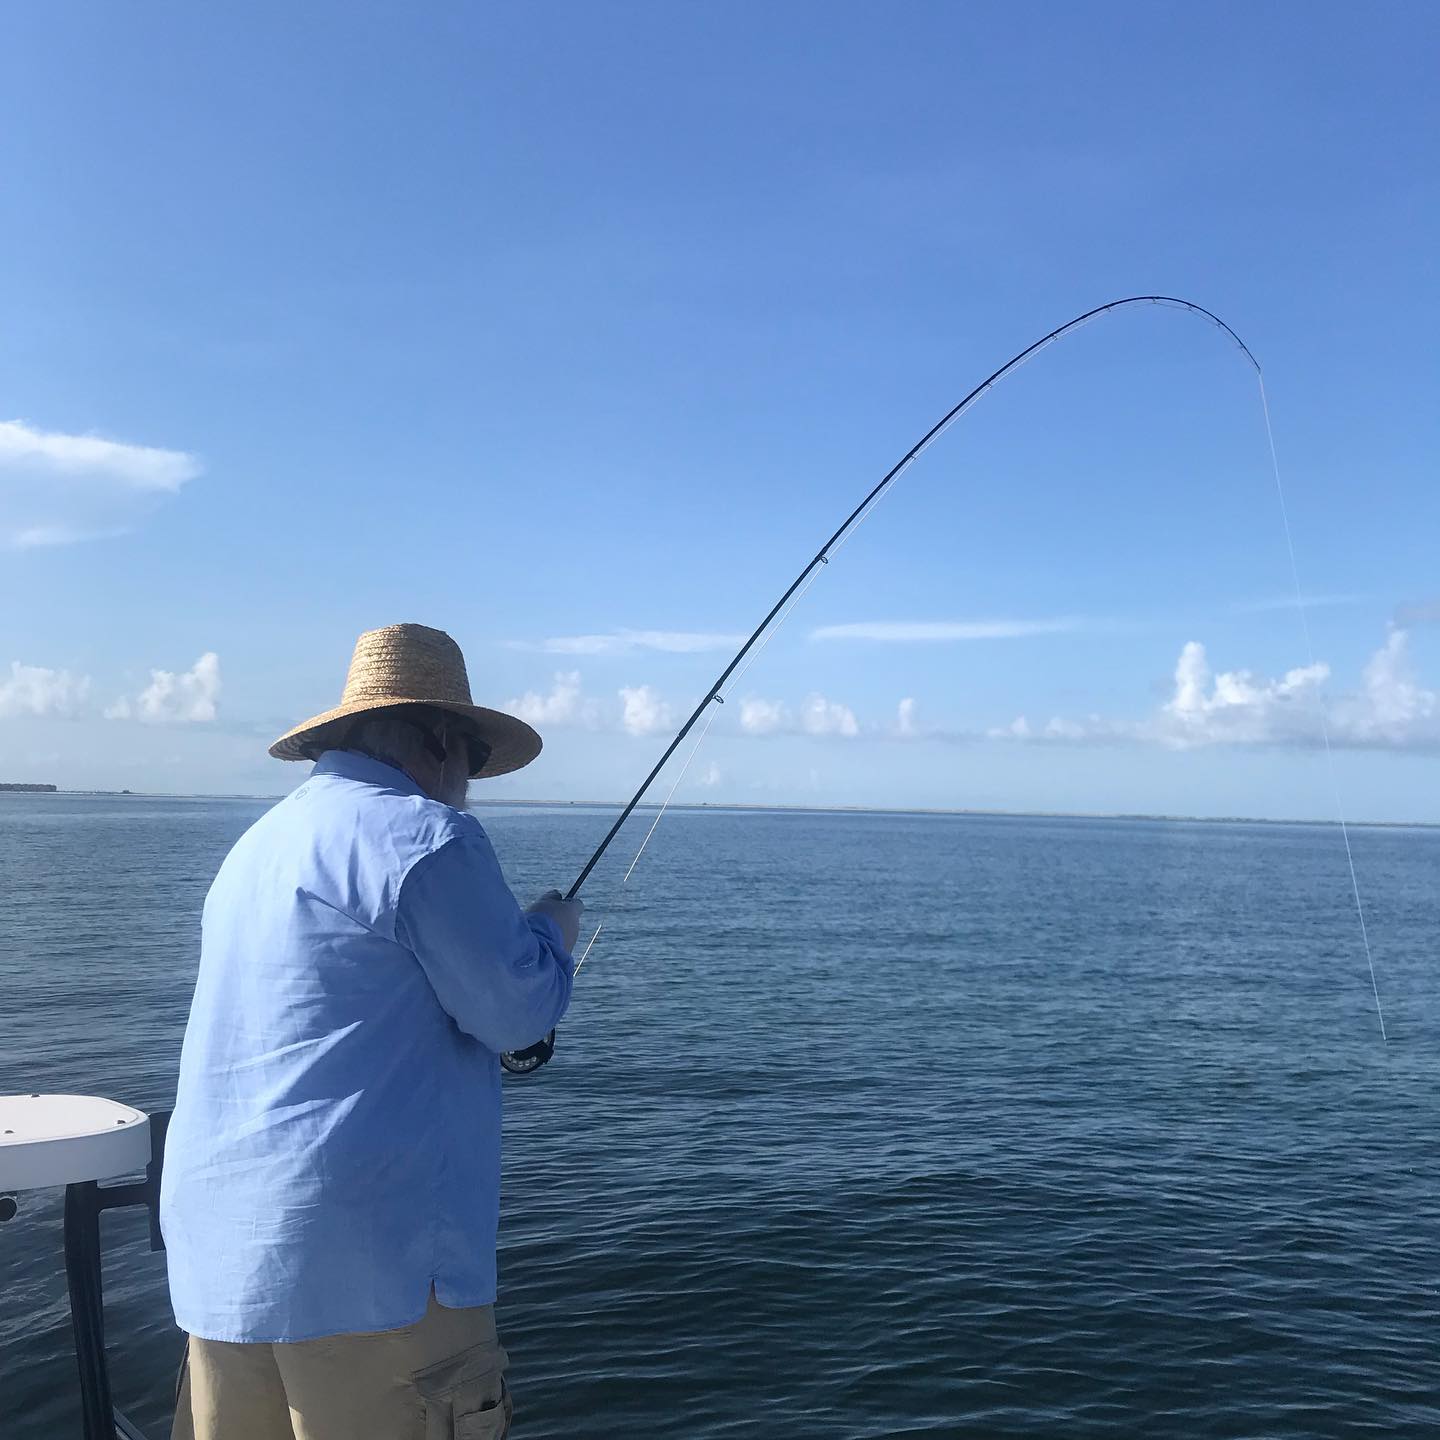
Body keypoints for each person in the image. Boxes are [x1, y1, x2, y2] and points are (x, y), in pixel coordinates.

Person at [161, 622, 582, 1440]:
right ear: (439, 743)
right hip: (373, 1277)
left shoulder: (256, 848)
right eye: (476, 762)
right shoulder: (425, 835)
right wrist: (552, 933)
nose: (470, 786)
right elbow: (515, 1010)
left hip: (224, 1270)